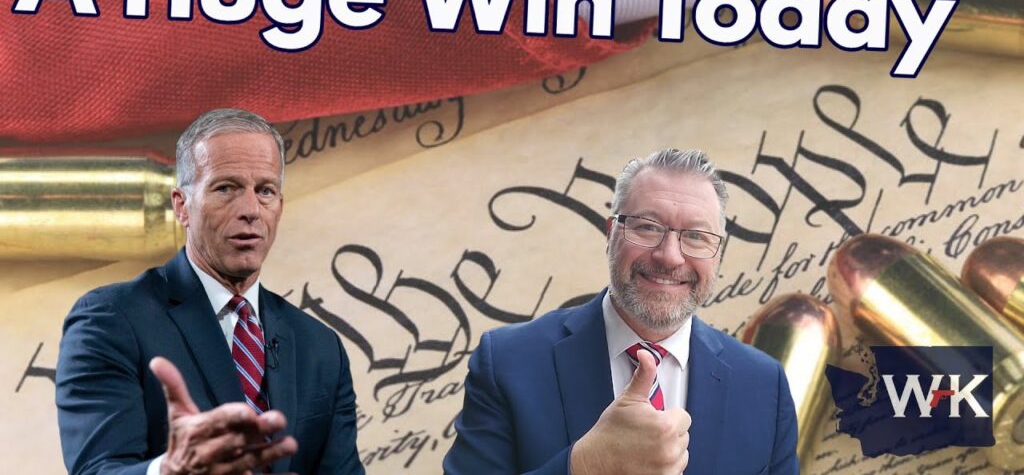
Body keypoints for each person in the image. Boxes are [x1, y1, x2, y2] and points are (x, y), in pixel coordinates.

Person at [443, 148, 798, 475]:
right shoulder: (506, 363)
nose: (670, 256)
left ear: (718, 251)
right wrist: (586, 464)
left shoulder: (766, 387)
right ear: (611, 233)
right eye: (647, 227)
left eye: (696, 236)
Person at [56, 109, 364, 474]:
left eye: (265, 190)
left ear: (279, 206)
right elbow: (96, 470)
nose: (250, 210)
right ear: (181, 206)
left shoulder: (321, 346)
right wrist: (169, 471)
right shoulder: (111, 320)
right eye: (226, 188)